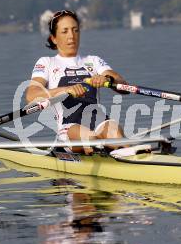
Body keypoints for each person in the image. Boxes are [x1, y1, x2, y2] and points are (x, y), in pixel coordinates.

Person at [26, 10, 127, 154]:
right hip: (70, 126)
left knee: (116, 134)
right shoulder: (46, 63)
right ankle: (103, 148)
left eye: (75, 30)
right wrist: (66, 90)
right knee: (91, 139)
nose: (71, 36)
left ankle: (128, 152)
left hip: (99, 120)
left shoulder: (93, 60)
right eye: (65, 31)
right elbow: (32, 95)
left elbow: (123, 85)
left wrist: (108, 79)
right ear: (54, 38)